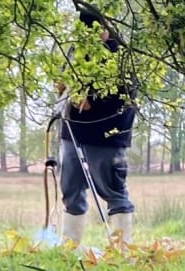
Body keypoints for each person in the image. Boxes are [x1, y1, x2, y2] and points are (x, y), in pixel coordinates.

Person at [55, 10, 136, 246]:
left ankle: (122, 248)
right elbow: (62, 80)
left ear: (104, 28)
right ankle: (70, 245)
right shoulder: (74, 51)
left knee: (113, 192)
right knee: (71, 190)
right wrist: (62, 86)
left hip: (106, 136)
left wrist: (92, 103)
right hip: (73, 131)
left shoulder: (120, 54)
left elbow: (126, 97)